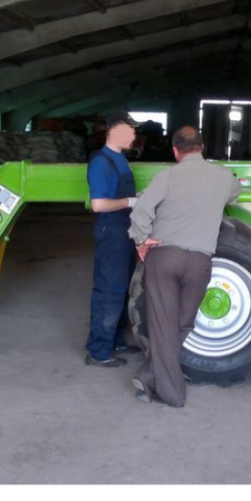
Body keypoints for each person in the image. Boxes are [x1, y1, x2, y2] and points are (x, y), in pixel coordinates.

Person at [128, 126, 241, 407]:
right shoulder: (223, 177)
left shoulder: (167, 176)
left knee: (163, 324)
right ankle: (151, 379)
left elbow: (141, 209)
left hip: (165, 257)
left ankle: (168, 391)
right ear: (202, 148)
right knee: (183, 323)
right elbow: (234, 194)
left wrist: (141, 240)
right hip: (199, 261)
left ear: (176, 151)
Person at [85, 111, 142, 368]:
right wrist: (130, 201)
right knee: (109, 291)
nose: (134, 135)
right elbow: (98, 204)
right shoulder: (101, 162)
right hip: (112, 233)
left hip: (125, 231)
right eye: (130, 130)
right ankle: (98, 351)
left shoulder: (121, 160)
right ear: (115, 130)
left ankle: (116, 341)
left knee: (123, 288)